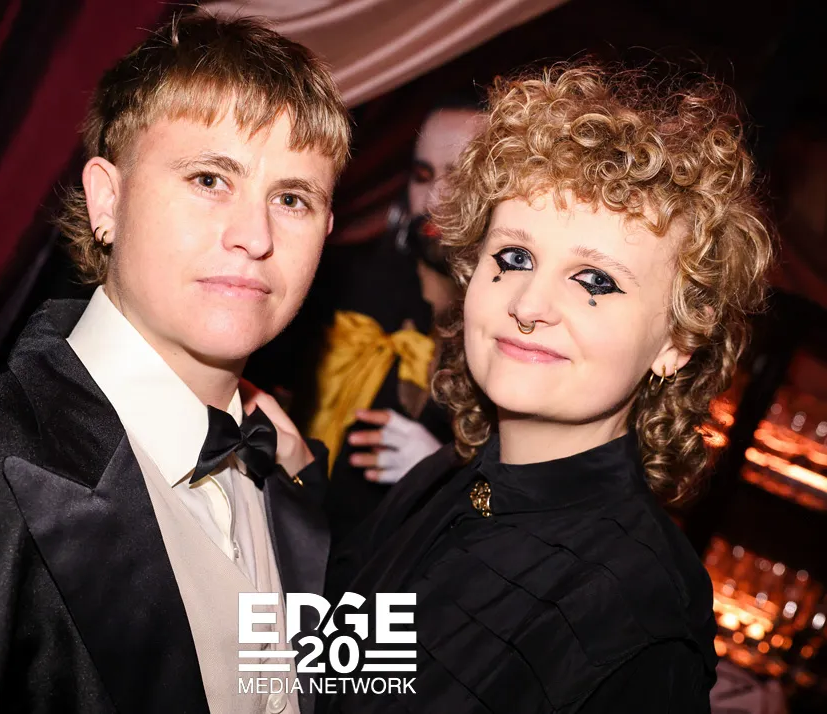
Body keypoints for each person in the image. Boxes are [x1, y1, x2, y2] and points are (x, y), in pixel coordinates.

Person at [0, 13, 350, 714]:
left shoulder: (288, 476)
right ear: (108, 198)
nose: (254, 236)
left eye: (291, 199)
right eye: (208, 179)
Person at [326, 62, 774, 712]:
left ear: (677, 341)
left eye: (596, 281)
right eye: (515, 258)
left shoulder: (638, 611)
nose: (530, 303)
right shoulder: (448, 480)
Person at [305, 97, 484, 544]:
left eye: (460, 177)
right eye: (423, 175)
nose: (435, 199)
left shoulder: (510, 323)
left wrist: (445, 471)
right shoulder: (340, 282)